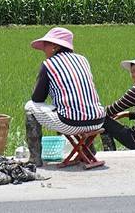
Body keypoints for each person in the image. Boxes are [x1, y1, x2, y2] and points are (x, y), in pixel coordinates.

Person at [25, 27, 106, 166]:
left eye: (46, 45)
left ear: (54, 46)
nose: (44, 50)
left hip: (71, 123)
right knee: (69, 107)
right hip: (98, 120)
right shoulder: (83, 60)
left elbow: (37, 98)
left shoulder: (48, 64)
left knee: (30, 107)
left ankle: (35, 159)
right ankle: (87, 150)